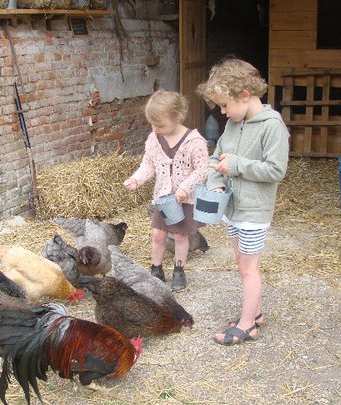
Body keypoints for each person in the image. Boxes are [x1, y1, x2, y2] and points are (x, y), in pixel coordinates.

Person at [196, 58, 289, 345]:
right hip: (233, 209)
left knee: (249, 269)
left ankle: (247, 325)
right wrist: (216, 183)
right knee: (241, 263)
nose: (223, 112)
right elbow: (215, 158)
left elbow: (276, 170)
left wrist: (235, 165)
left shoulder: (272, 126)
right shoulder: (234, 124)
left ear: (245, 95)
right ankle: (255, 313)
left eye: (225, 105)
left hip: (254, 211)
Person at [124, 90, 209, 291]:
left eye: (160, 125)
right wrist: (136, 179)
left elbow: (202, 170)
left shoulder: (194, 142)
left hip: (185, 199)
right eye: (153, 124)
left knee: (180, 236)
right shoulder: (154, 139)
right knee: (158, 235)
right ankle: (156, 269)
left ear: (178, 118)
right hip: (163, 198)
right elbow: (148, 164)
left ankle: (179, 269)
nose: (156, 129)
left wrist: (184, 189)